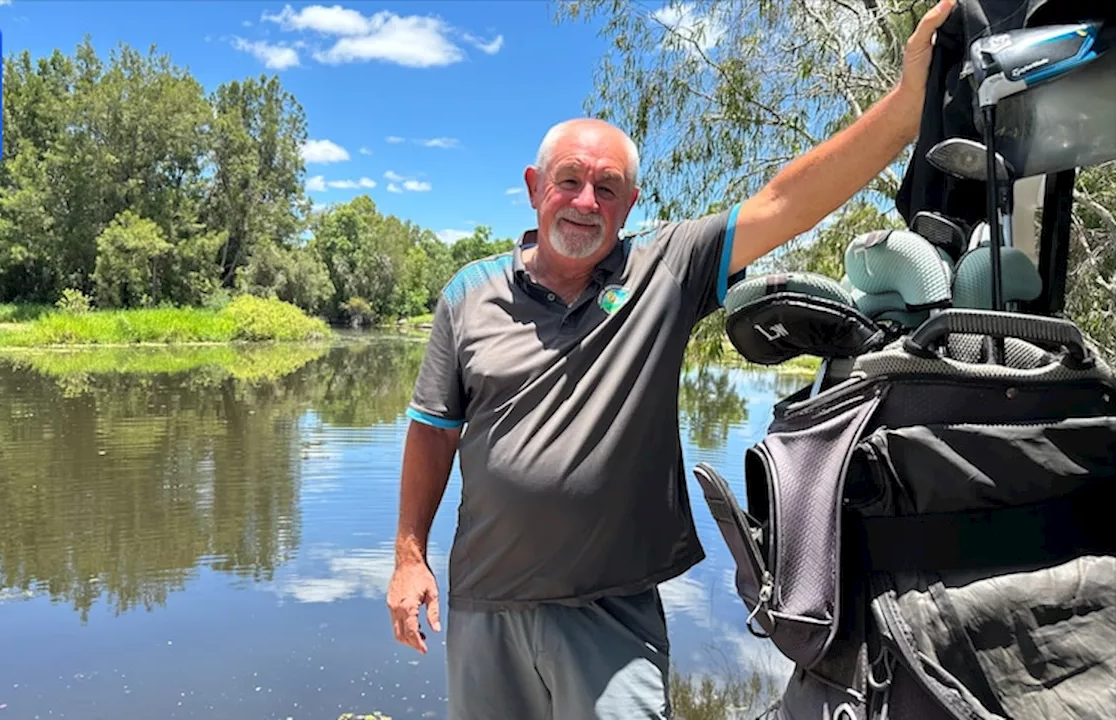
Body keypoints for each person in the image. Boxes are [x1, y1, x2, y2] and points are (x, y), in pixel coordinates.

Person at [386, 1, 958, 717]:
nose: (585, 201)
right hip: (485, 604)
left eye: (607, 188)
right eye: (569, 180)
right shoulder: (468, 292)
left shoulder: (667, 266)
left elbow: (788, 201)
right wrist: (410, 556)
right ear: (535, 188)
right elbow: (434, 431)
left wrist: (907, 111)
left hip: (611, 610)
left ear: (628, 204)